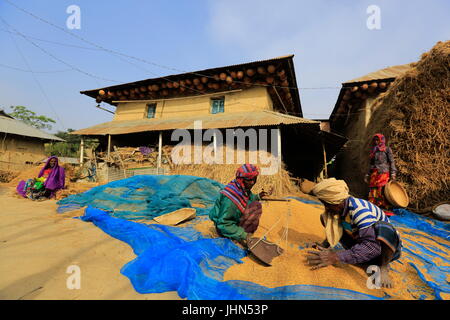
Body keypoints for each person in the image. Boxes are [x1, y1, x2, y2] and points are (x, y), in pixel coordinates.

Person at [305, 178, 402, 288]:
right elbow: (334, 228)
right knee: (326, 218)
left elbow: (373, 247)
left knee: (384, 228)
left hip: (383, 250)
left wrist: (335, 257)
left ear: (336, 202)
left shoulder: (359, 211)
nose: (326, 207)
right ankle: (362, 258)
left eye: (327, 204)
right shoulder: (341, 208)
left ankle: (383, 267)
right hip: (362, 241)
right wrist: (324, 245)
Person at [209, 164, 271, 247]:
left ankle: (241, 231)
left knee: (256, 206)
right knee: (254, 209)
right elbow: (223, 224)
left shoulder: (242, 188)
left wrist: (259, 196)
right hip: (224, 228)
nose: (252, 182)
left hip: (233, 221)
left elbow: (248, 198)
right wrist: (244, 235)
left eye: (254, 179)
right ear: (241, 180)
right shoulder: (231, 199)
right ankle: (235, 236)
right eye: (248, 180)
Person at [365, 133, 397, 209]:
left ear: (381, 140)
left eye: (377, 140)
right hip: (374, 173)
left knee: (381, 189)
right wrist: (367, 174)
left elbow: (392, 161)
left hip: (383, 172)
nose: (376, 141)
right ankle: (373, 205)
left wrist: (393, 173)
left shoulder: (387, 149)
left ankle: (381, 205)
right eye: (375, 140)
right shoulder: (374, 150)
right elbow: (372, 164)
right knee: (372, 188)